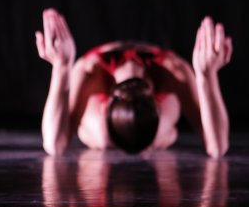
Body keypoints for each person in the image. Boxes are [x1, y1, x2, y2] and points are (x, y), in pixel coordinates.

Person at [35, 9, 232, 157]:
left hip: (104, 127)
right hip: (155, 126)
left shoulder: (90, 72)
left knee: (102, 135)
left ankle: (132, 136)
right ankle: (157, 136)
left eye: (126, 99)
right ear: (157, 102)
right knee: (119, 134)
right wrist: (207, 75)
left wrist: (61, 67)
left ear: (107, 106)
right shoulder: (173, 71)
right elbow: (217, 146)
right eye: (139, 100)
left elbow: (54, 144)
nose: (131, 89)